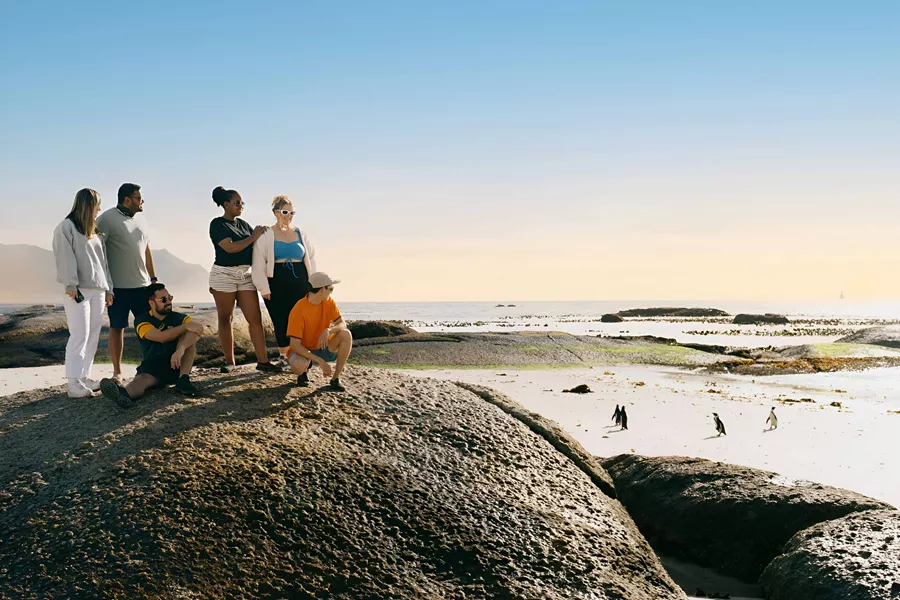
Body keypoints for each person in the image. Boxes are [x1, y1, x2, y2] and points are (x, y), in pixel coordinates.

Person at [208, 186, 279, 373]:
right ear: (226, 204)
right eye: (237, 203)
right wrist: (254, 236)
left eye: (242, 203)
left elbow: (257, 247)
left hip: (245, 274)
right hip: (224, 274)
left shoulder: (244, 224)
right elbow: (230, 248)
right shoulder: (217, 224)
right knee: (226, 318)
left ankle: (263, 361)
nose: (241, 206)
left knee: (255, 318)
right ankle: (230, 363)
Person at [52, 188, 115, 398]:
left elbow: (103, 263)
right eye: (98, 204)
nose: (100, 209)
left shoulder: (95, 232)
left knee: (93, 334)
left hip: (98, 289)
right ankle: (73, 383)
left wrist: (109, 289)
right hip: (78, 290)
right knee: (80, 334)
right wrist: (71, 285)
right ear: (88, 204)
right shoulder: (66, 227)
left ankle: (85, 376)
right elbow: (64, 257)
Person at [100, 283, 201, 408]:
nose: (169, 302)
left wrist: (181, 348)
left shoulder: (180, 318)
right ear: (151, 303)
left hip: (177, 364)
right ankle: (123, 395)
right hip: (153, 367)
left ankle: (183, 380)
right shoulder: (142, 321)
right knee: (141, 379)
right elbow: (162, 337)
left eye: (170, 298)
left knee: (189, 338)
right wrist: (185, 327)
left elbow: (198, 328)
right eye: (163, 299)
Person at [96, 183, 157, 383]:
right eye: (139, 198)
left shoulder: (141, 219)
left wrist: (153, 279)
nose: (142, 201)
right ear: (127, 200)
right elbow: (97, 252)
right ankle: (117, 372)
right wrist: (105, 287)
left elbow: (146, 249)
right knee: (117, 328)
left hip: (142, 286)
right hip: (118, 288)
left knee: (147, 327)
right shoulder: (105, 219)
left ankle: (149, 368)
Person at [252, 195, 316, 361]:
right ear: (276, 212)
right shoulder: (266, 234)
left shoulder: (300, 233)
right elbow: (258, 262)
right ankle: (283, 356)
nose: (289, 216)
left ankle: (300, 356)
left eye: (292, 212)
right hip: (276, 280)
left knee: (300, 319)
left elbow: (311, 258)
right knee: (280, 319)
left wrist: (313, 284)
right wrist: (263, 288)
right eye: (285, 212)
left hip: (300, 280)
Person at [286, 272, 353, 391]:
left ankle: (335, 379)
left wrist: (329, 330)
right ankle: (303, 372)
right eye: (330, 289)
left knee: (346, 334)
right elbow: (295, 345)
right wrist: (320, 361)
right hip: (303, 351)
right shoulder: (299, 309)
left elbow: (342, 324)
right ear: (322, 290)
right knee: (298, 366)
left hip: (323, 346)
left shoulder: (329, 302)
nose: (332, 292)